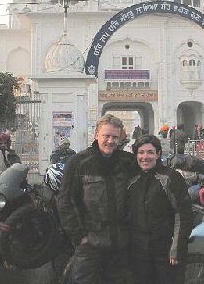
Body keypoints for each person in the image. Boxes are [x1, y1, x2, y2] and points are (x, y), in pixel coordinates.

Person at [57, 114, 138, 284]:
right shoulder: (78, 162)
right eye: (106, 136)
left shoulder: (128, 162)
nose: (110, 141)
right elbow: (65, 202)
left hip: (120, 243)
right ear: (96, 135)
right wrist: (79, 236)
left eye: (115, 137)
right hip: (89, 243)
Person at [128, 135, 193, 284]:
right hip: (139, 252)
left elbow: (183, 214)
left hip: (165, 252)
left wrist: (176, 248)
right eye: (141, 152)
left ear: (158, 154)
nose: (145, 157)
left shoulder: (170, 178)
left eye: (150, 152)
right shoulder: (132, 180)